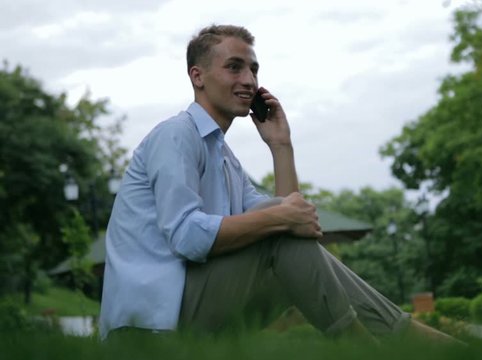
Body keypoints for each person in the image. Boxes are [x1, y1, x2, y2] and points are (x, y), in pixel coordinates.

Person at [99, 24, 458, 344]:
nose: (249, 80)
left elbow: (293, 225)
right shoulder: (176, 135)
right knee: (278, 225)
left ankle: (399, 339)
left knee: (282, 229)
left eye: (253, 69)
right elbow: (186, 236)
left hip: (189, 310)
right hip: (146, 327)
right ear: (198, 76)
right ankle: (371, 346)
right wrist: (281, 218)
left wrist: (280, 145)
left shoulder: (224, 157)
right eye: (234, 67)